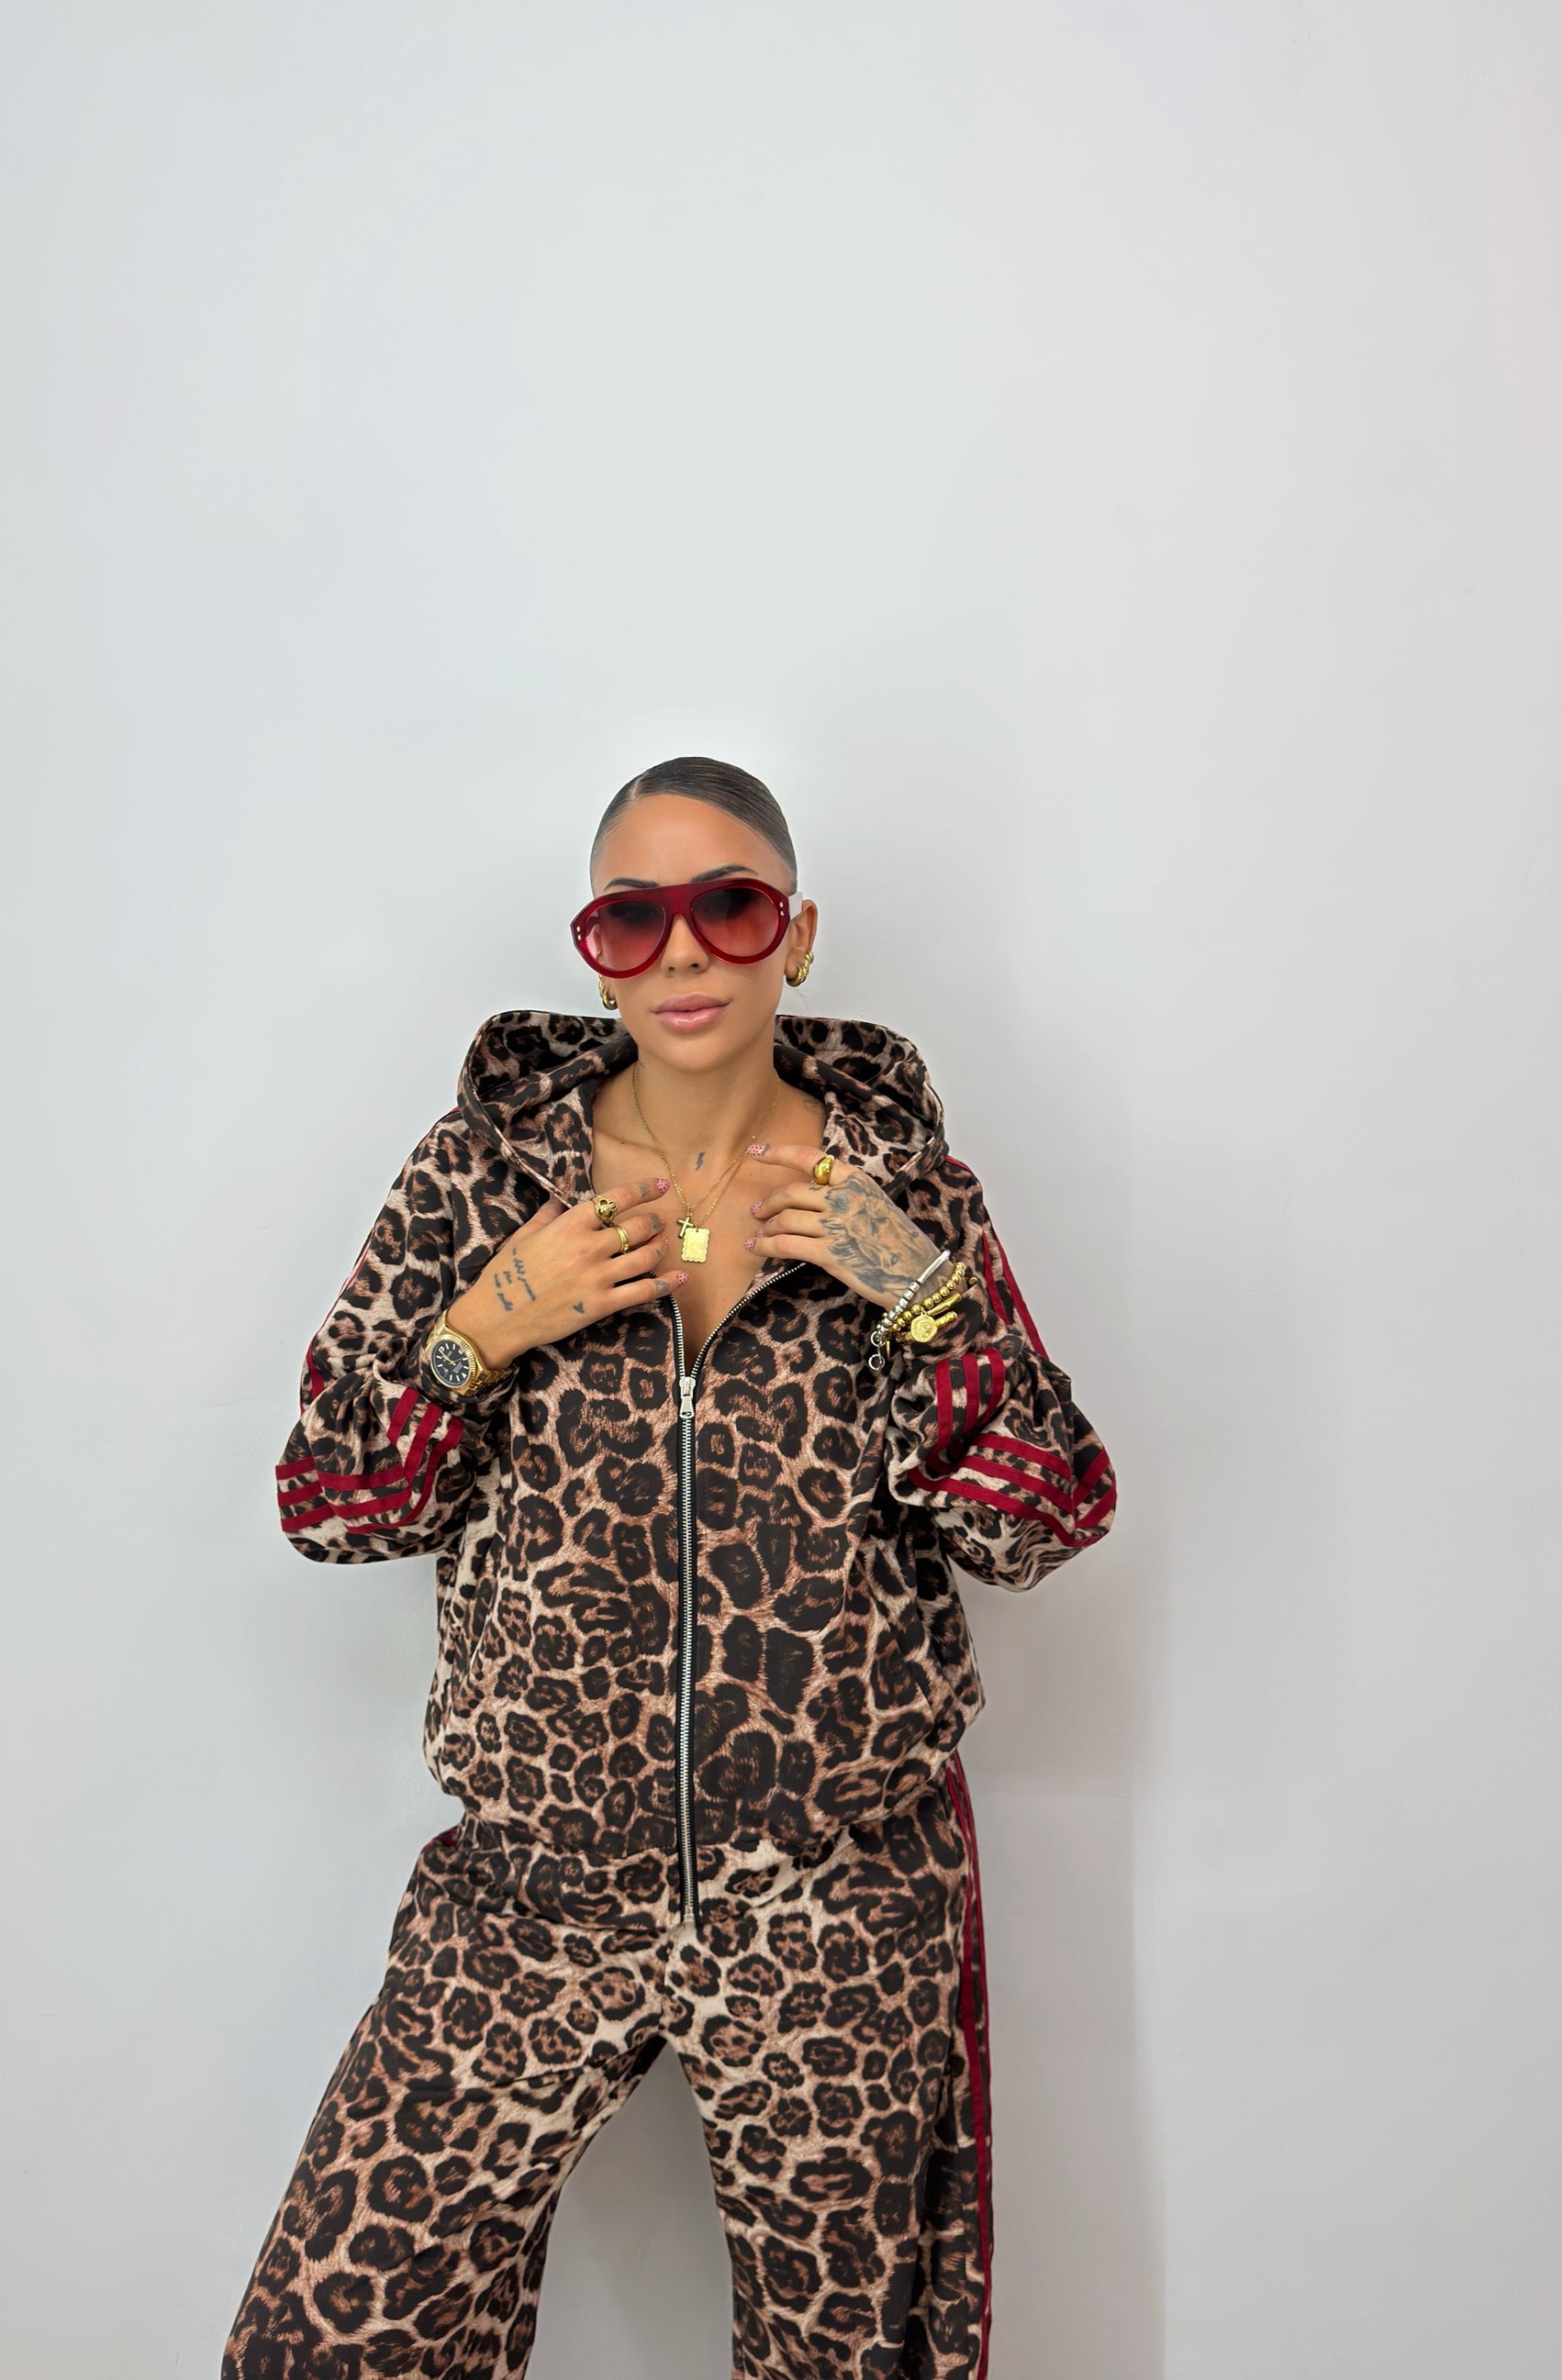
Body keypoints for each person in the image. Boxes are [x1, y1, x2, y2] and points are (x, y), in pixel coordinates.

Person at [222, 757, 1116, 2380]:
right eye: (631, 917)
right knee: (327, 2342)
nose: (684, 948)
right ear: (595, 954)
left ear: (798, 932)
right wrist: (486, 1324)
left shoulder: (902, 1194)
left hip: (831, 1902)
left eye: (730, 904)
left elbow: (1043, 1519)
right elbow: (331, 1497)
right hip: (536, 1890)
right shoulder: (480, 1180)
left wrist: (921, 1300)